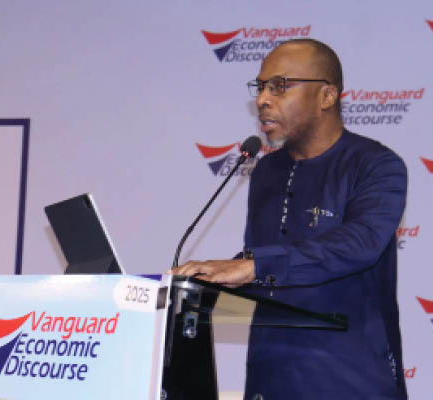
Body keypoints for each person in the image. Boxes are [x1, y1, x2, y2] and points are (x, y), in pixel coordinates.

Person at [170, 38, 408, 399]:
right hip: (269, 377)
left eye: (279, 86)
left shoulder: (377, 165)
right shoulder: (266, 170)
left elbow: (360, 244)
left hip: (347, 378)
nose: (263, 99)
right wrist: (208, 283)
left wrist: (252, 266)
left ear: (326, 96)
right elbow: (266, 270)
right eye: (261, 87)